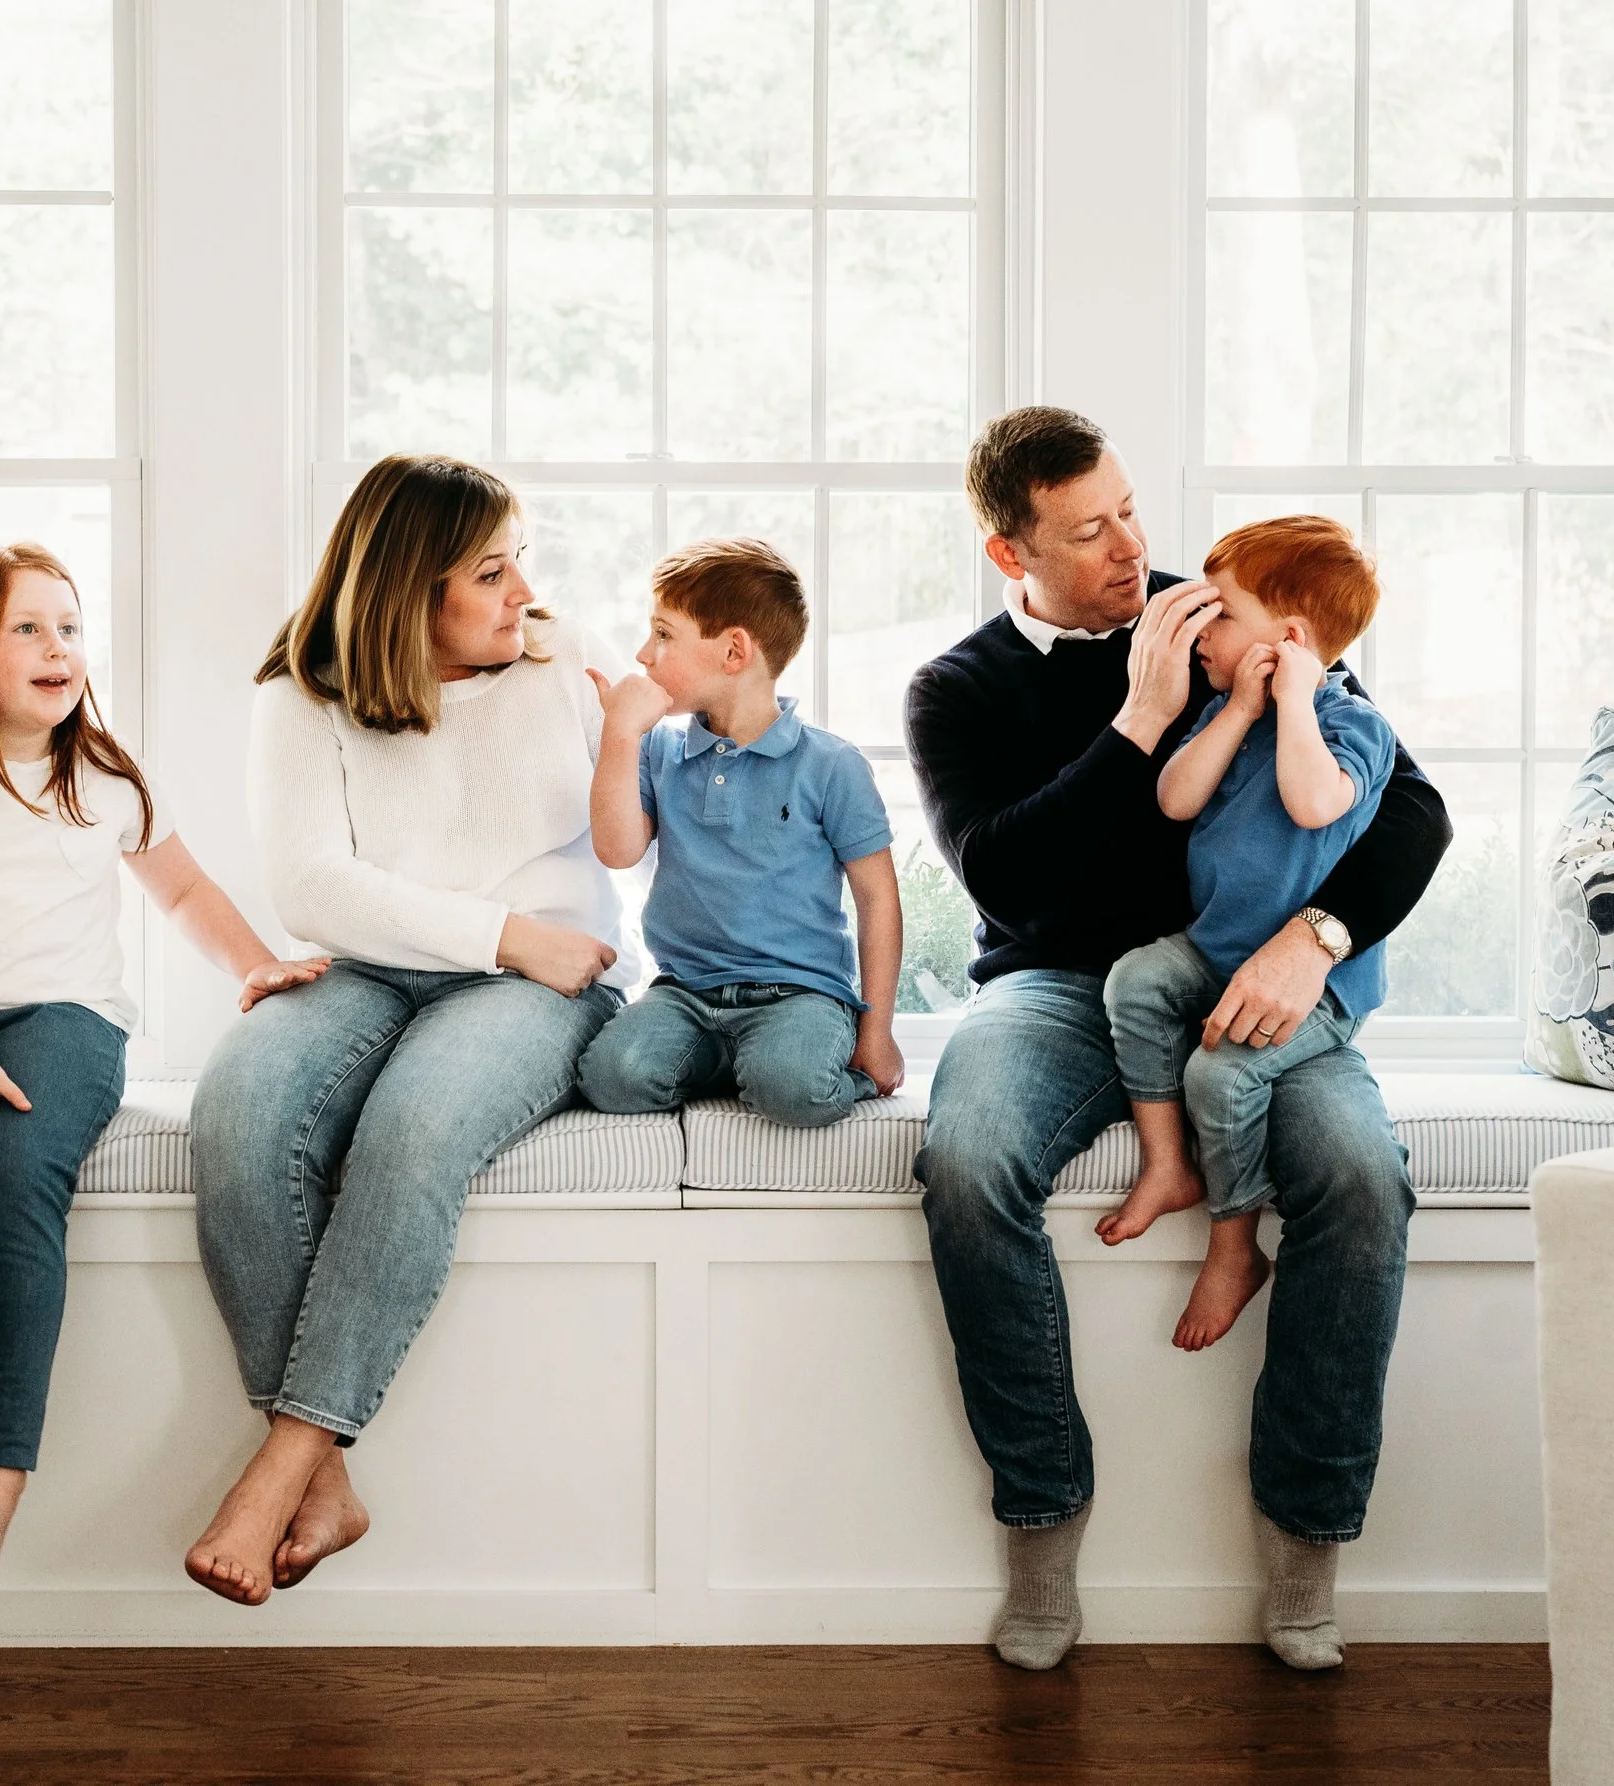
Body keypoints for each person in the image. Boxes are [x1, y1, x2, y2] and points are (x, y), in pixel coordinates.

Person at [905, 408, 1451, 1674]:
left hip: (1253, 980)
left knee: (1363, 1179)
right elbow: (1003, 876)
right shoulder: (956, 688)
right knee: (968, 1160)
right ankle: (1043, 1522)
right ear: (1011, 554)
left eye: (1131, 510)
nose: (1130, 548)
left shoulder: (1229, 609)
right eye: (1088, 530)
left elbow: (1407, 807)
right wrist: (1136, 721)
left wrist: (1314, 934)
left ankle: (1305, 1552)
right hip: (1052, 981)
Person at [0, 542, 323, 1596]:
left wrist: (258, 964)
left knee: (13, 1175)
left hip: (66, 1020)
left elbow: (181, 892)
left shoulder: (105, 776)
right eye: (28, 629)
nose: (60, 649)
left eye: (70, 626)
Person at [184, 454, 632, 1607]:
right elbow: (312, 887)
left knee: (413, 1130)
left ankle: (287, 1458)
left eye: (520, 560)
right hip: (376, 964)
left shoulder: (560, 658)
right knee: (235, 1113)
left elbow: (660, 805)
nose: (521, 591)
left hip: (539, 984)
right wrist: (504, 932)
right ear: (402, 591)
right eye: (488, 572)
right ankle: (327, 1481)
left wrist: (537, 945)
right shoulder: (299, 692)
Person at [1096, 517, 1398, 1359]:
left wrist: (1294, 699)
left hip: (1317, 990)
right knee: (1133, 983)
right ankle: (1168, 1162)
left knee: (1220, 1080)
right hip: (1217, 947)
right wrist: (1238, 708)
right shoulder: (1229, 713)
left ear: (1291, 641)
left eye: (1222, 614)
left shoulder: (1354, 728)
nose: (1201, 630)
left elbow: (1312, 803)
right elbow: (1176, 798)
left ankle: (1234, 1245)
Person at [577, 538, 906, 1124]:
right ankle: (735, 1065)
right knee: (612, 1078)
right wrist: (620, 737)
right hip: (685, 994)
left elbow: (877, 898)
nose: (643, 654)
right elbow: (617, 849)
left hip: (800, 995)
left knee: (793, 1089)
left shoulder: (830, 765)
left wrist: (876, 1030)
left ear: (734, 651)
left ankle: (777, 1068)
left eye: (663, 634)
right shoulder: (658, 749)